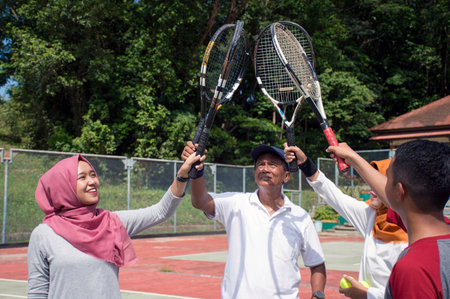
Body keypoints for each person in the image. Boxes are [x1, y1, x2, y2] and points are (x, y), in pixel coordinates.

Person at [27, 152, 203, 298]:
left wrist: (182, 175)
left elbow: (160, 212)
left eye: (93, 175)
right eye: (82, 177)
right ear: (63, 187)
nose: (92, 182)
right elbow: (37, 292)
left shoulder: (111, 223)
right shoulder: (43, 235)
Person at [181, 141, 326, 299]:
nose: (265, 169)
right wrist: (196, 170)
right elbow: (200, 202)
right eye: (260, 164)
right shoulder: (236, 203)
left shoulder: (300, 217)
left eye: (272, 164)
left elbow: (317, 263)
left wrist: (317, 295)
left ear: (286, 176)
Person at [325, 140, 450, 299]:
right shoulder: (441, 235)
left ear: (399, 191)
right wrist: (353, 158)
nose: (381, 184)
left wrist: (367, 295)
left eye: (388, 176)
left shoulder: (413, 268)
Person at [284, 144, 408, 299]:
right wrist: (304, 163)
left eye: (377, 183)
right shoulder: (370, 216)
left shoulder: (413, 230)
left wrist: (367, 294)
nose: (371, 189)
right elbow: (332, 195)